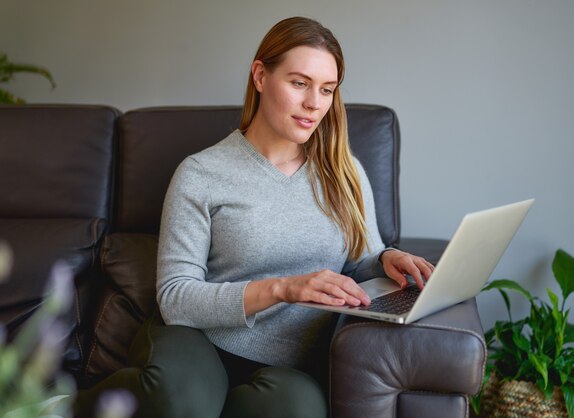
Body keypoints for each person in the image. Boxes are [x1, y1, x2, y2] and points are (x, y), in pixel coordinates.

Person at [156, 16, 435, 418]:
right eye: (299, 83)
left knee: (295, 409)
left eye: (326, 89)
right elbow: (175, 298)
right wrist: (283, 288)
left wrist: (386, 260)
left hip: (291, 361)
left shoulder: (346, 171)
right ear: (260, 76)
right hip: (203, 342)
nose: (314, 104)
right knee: (184, 402)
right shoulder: (201, 174)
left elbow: (360, 261)